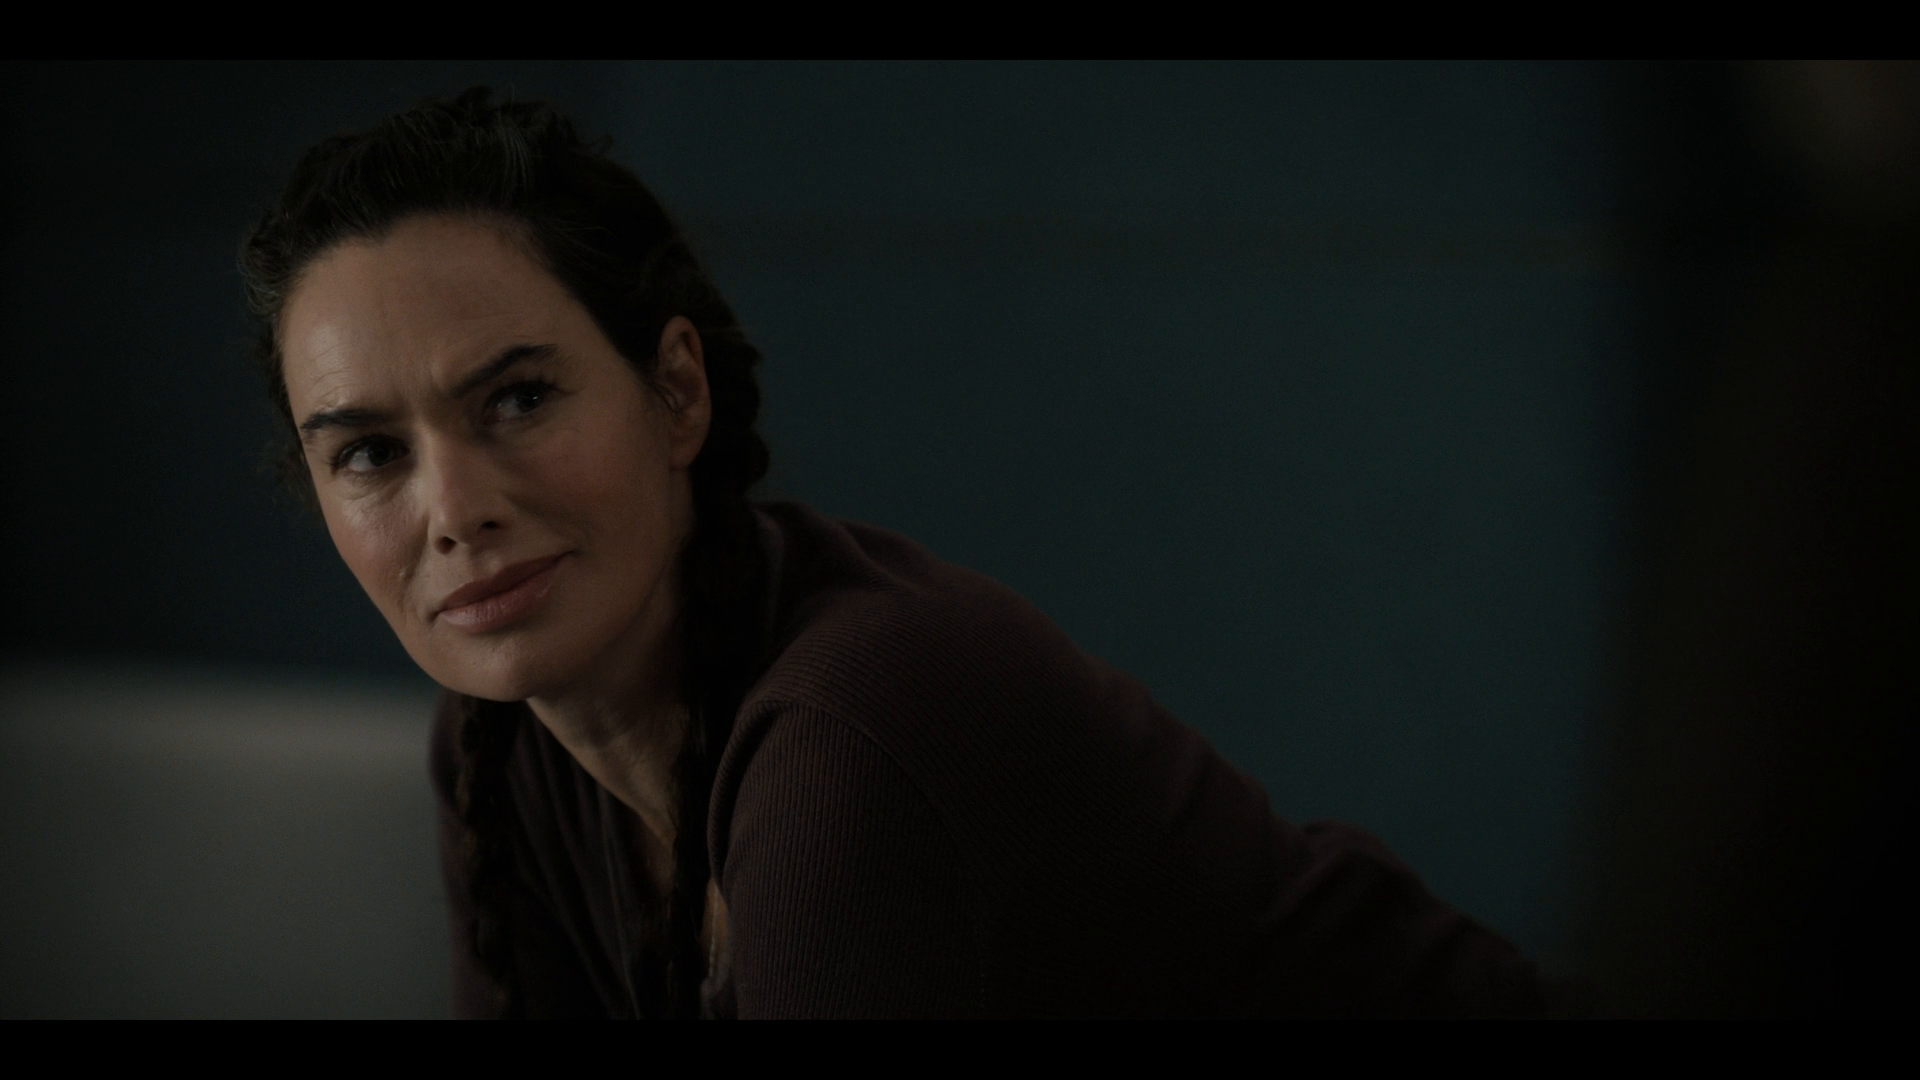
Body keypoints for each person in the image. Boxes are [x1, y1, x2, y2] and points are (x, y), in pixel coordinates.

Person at [241, 88, 1546, 1018]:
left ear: (677, 393)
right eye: (371, 453)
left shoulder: (845, 741)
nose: (454, 508)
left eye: (519, 399)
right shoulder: (498, 749)